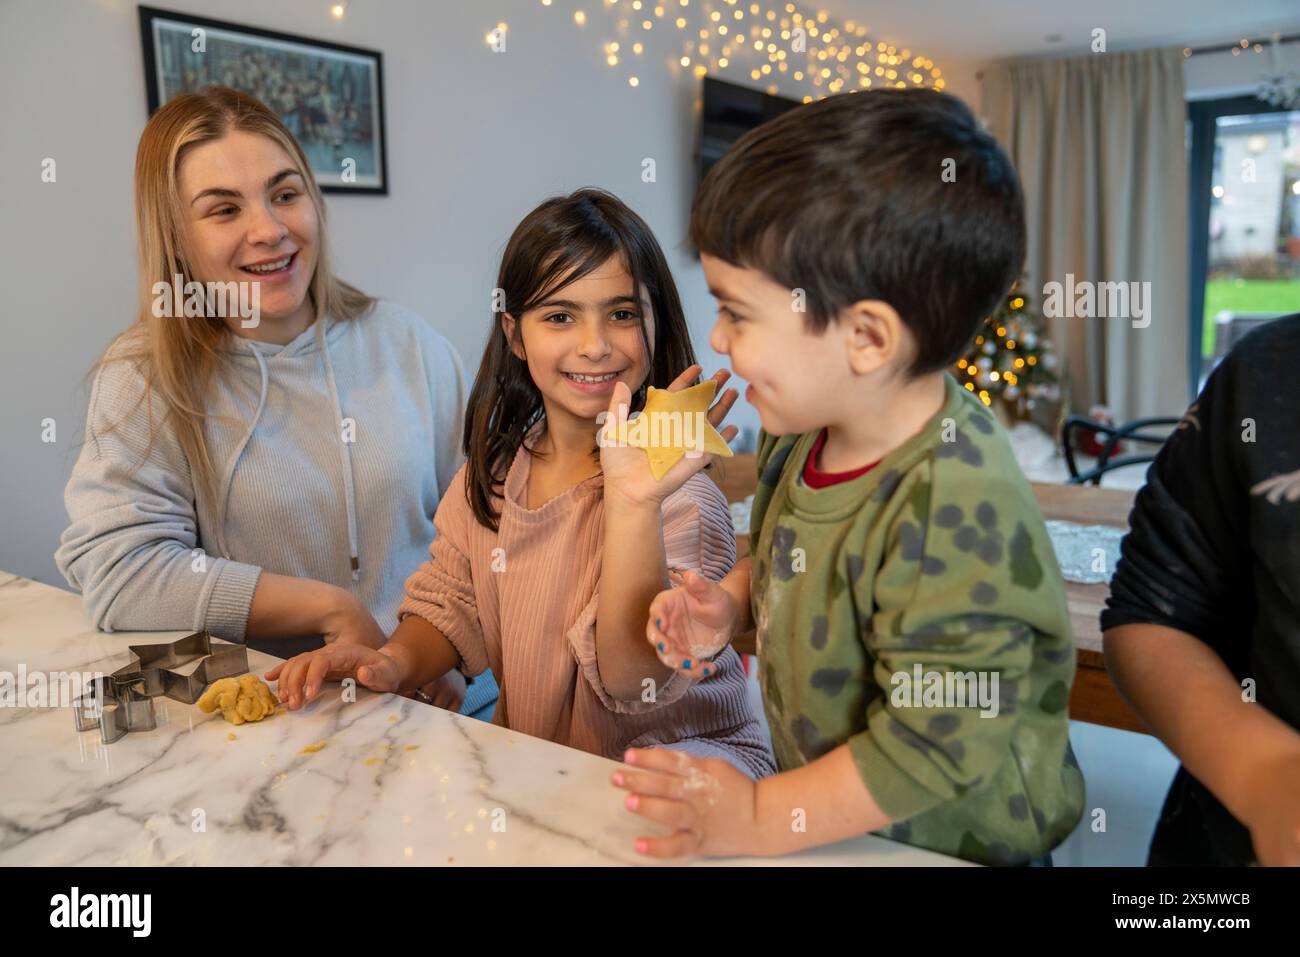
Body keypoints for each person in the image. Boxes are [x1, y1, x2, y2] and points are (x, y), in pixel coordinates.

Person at [55, 87, 494, 716]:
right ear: (175, 238)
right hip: (293, 720)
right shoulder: (145, 377)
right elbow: (120, 572)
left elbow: (488, 528)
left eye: (285, 194)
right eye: (224, 210)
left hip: (448, 696)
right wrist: (330, 607)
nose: (269, 230)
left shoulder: (407, 342)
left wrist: (436, 649)